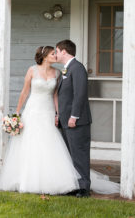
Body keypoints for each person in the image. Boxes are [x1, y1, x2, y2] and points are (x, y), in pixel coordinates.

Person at [0, 45, 120, 196]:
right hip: (33, 110)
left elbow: (56, 95)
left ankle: (55, 181)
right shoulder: (32, 70)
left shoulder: (57, 73)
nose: (55, 56)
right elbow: (25, 91)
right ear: (44, 56)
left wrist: (57, 114)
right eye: (52, 54)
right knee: (30, 144)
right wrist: (17, 112)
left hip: (48, 111)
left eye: (56, 53)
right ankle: (27, 180)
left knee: (50, 144)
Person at [56, 39, 92, 198]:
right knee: (69, 155)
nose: (55, 54)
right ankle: (73, 186)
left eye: (56, 51)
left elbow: (80, 94)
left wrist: (74, 116)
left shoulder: (77, 68)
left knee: (79, 154)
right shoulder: (66, 69)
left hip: (76, 121)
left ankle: (84, 188)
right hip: (65, 121)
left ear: (64, 51)